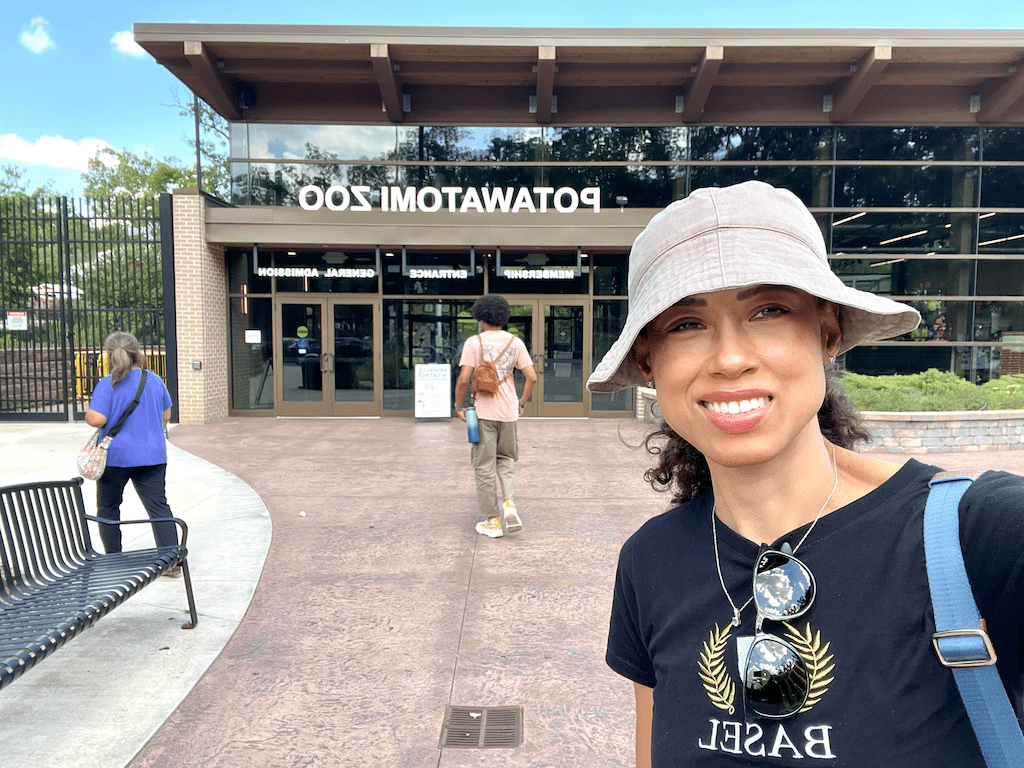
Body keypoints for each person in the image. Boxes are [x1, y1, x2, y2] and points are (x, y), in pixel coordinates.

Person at [586, 180, 1024, 767]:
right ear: (648, 361)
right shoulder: (651, 561)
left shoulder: (983, 536)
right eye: (686, 324)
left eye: (769, 311)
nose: (730, 358)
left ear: (828, 332)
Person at [85, 331, 180, 570]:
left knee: (108, 507)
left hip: (116, 457)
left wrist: (89, 412)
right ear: (138, 352)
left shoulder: (108, 383)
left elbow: (97, 419)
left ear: (110, 355)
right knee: (159, 506)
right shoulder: (154, 379)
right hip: (153, 455)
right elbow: (166, 414)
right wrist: (150, 433)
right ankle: (172, 561)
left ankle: (115, 559)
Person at [455, 295, 537, 538]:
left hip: (483, 413)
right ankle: (509, 503)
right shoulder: (515, 342)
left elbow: (463, 379)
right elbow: (532, 377)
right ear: (503, 317)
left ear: (481, 318)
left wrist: (459, 406)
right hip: (509, 413)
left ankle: (492, 521)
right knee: (506, 460)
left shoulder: (474, 343)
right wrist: (521, 403)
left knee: (483, 466)